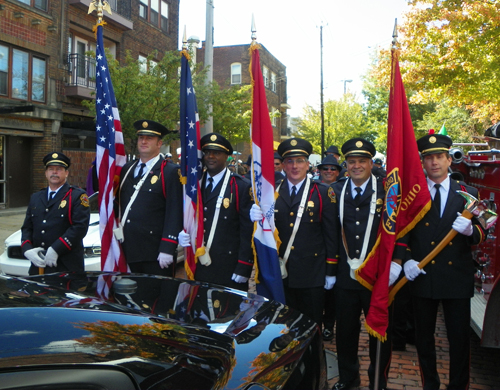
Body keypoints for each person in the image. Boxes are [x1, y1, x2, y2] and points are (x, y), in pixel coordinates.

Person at [395, 134, 486, 390]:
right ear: (422, 162)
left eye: (439, 157)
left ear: (449, 160)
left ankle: (458, 386)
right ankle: (430, 385)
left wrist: (470, 230)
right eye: (428, 158)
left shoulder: (469, 193)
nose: (434, 162)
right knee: (424, 339)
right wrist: (407, 260)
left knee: (459, 340)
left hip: (456, 277)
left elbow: (482, 233)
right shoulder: (413, 194)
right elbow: (403, 232)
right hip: (422, 274)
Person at [332, 138, 399, 390]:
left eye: (362, 161)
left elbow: (398, 227)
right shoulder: (335, 191)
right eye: (351, 161)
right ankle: (348, 378)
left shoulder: (386, 191)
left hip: (377, 276)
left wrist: (398, 261)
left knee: (379, 332)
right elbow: (330, 231)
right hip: (345, 275)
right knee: (345, 332)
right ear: (345, 165)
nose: (356, 165)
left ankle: (378, 380)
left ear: (371, 163)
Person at [251, 137, 338, 327]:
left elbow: (331, 235)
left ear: (308, 165)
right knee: (280, 327)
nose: (295, 166)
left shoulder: (323, 193)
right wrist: (256, 218)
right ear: (282, 165)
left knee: (310, 327)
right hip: (279, 273)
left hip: (311, 274)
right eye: (289, 161)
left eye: (299, 161)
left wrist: (330, 270)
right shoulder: (270, 193)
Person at [178, 133, 254, 291]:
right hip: (198, 263)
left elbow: (247, 230)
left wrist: (244, 266)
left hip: (227, 266)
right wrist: (183, 232)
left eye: (217, 153)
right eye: (207, 153)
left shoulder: (240, 186)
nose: (210, 157)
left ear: (227, 156)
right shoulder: (194, 185)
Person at [116, 119, 183, 276]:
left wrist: (168, 246)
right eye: (141, 138)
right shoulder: (127, 169)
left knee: (154, 298)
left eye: (149, 138)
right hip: (128, 249)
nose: (144, 141)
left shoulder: (170, 171)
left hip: (155, 252)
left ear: (159, 144)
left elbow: (175, 211)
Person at [21, 152, 90, 275]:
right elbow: (27, 227)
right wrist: (27, 249)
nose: (54, 172)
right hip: (38, 265)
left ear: (66, 173)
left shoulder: (77, 196)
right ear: (46, 173)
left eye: (59, 169)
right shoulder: (36, 197)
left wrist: (56, 249)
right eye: (51, 169)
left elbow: (79, 227)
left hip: (66, 264)